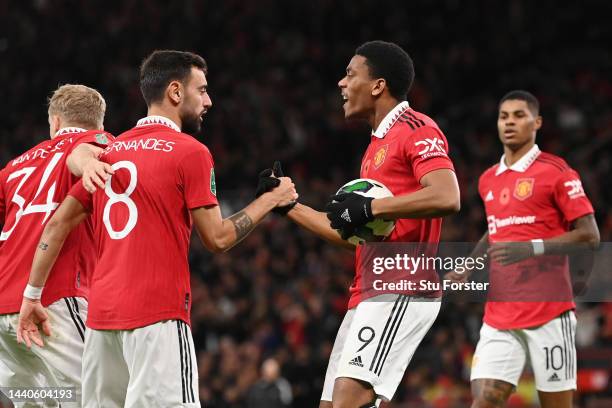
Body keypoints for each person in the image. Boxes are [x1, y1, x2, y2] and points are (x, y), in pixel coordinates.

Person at [16, 50, 297, 407]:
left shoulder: (110, 153)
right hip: (157, 317)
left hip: (101, 322)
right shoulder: (189, 151)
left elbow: (57, 224)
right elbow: (218, 238)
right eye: (203, 90)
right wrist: (271, 200)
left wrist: (31, 294)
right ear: (176, 92)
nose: (208, 101)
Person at [258, 40, 460, 408]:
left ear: (378, 85)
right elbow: (353, 235)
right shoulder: (374, 149)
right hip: (367, 290)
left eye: (350, 74)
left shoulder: (417, 128)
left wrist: (373, 207)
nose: (341, 83)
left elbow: (448, 196)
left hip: (402, 284)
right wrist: (288, 206)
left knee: (350, 400)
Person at [446, 90, 600, 408]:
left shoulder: (557, 172)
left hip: (549, 312)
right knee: (486, 398)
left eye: (519, 116)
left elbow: (589, 235)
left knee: (555, 404)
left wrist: (531, 248)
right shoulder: (488, 179)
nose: (510, 123)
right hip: (500, 314)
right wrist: (468, 265)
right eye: (504, 117)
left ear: (537, 122)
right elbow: (495, 230)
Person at [0, 84, 114, 407]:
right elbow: (83, 154)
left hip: (4, 310)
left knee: (38, 402)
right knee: (95, 399)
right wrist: (85, 162)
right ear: (100, 125)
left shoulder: (14, 166)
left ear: (55, 122)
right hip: (52, 301)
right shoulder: (96, 143)